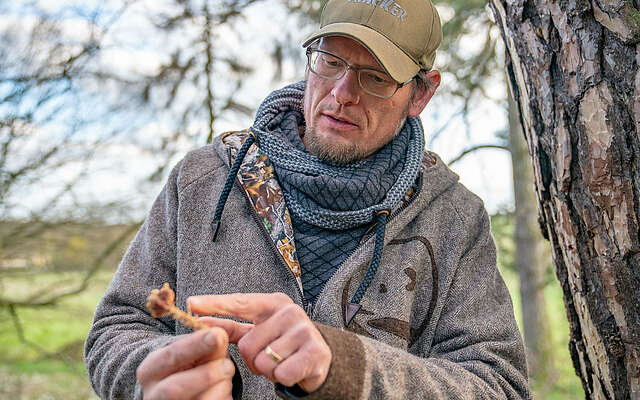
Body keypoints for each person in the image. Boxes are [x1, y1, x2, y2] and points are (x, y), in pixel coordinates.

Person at [85, 0, 531, 398]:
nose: (342, 94)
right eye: (331, 62)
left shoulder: (453, 216)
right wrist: (158, 375)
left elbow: (500, 384)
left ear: (421, 93)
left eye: (375, 78)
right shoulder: (201, 179)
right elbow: (118, 326)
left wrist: (348, 369)